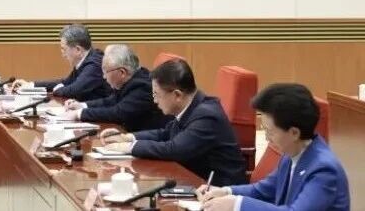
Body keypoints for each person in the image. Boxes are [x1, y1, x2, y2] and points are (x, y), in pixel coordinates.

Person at [197, 83, 350, 211]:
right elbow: (263, 190)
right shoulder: (291, 154)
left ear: (294, 132)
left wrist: (237, 205)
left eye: (269, 131)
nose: (266, 138)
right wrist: (226, 191)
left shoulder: (324, 170)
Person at [100, 59, 247, 186]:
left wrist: (128, 147)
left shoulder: (206, 116)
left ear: (177, 95)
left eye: (157, 94)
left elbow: (174, 149)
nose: (155, 101)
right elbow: (165, 133)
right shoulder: (193, 106)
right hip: (194, 179)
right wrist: (127, 137)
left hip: (219, 190)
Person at [59, 44, 171, 132]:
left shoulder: (142, 87)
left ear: (122, 72)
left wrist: (79, 114)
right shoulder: (132, 79)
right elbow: (111, 100)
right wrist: (82, 105)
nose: (103, 77)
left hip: (148, 140)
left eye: (105, 72)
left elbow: (117, 113)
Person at [11, 23, 111, 100]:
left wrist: (57, 90)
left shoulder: (95, 64)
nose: (62, 53)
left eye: (64, 49)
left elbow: (74, 90)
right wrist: (31, 85)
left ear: (78, 50)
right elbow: (65, 83)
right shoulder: (86, 59)